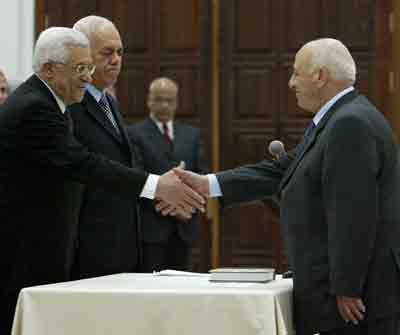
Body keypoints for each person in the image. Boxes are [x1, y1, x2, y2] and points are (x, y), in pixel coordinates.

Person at [172, 38, 400, 335]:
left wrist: (347, 288)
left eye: (296, 73)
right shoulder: (341, 117)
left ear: (319, 76)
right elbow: (279, 169)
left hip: (356, 303)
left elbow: (353, 214)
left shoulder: (349, 124)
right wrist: (208, 184)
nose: (292, 83)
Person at [0, 27, 204, 333]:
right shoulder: (35, 108)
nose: (87, 76)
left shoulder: (54, 103)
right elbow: (84, 164)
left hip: (48, 248)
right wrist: (157, 186)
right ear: (48, 69)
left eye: (88, 67)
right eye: (80, 68)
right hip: (25, 252)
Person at [68, 16, 143, 279]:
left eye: (120, 52)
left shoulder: (109, 101)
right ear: (83, 54)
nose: (116, 59)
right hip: (87, 249)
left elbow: (123, 162)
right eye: (107, 52)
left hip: (122, 244)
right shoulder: (70, 103)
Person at [128, 77, 209, 271]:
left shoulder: (192, 135)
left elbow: (203, 174)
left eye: (169, 100)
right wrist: (169, 204)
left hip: (185, 226)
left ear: (177, 101)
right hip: (151, 227)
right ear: (149, 100)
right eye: (158, 99)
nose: (164, 105)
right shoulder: (133, 134)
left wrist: (184, 207)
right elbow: (134, 176)